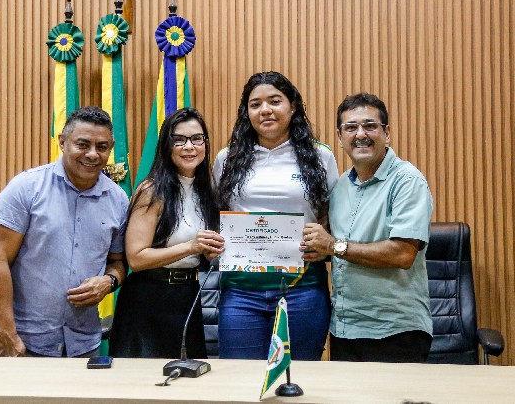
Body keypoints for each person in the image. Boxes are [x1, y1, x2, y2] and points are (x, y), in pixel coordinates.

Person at [214, 71, 339, 360]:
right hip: (241, 291)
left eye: (274, 101)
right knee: (238, 376)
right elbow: (218, 214)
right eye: (255, 104)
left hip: (302, 289)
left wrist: (324, 243)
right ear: (246, 112)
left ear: (292, 107)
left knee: (299, 376)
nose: (265, 110)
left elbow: (331, 214)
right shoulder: (227, 159)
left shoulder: (320, 156)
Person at [0, 106, 129, 357]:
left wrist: (109, 281)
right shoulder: (26, 188)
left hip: (85, 344)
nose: (92, 154)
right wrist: (7, 333)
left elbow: (118, 262)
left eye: (102, 147)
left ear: (111, 147)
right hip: (25, 343)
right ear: (62, 142)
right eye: (82, 144)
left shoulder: (118, 199)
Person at [303, 92, 433, 362]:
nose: (360, 134)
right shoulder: (340, 187)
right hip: (344, 329)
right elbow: (334, 247)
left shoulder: (407, 181)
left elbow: (403, 254)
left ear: (387, 133)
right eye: (350, 127)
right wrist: (316, 249)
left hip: (396, 331)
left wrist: (332, 246)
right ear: (340, 138)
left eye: (370, 126)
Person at [109, 108, 224, 358]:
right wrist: (191, 247)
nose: (189, 147)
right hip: (148, 299)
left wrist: (210, 252)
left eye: (196, 139)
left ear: (205, 143)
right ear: (166, 145)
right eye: (179, 139)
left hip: (188, 295)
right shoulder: (151, 190)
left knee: (190, 376)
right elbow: (136, 258)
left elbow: (200, 252)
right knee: (145, 379)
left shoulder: (207, 192)